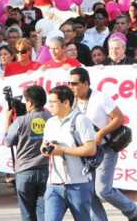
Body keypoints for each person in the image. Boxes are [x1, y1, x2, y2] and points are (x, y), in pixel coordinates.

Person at [68, 68, 137, 221]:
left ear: (86, 83)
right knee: (89, 191)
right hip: (86, 151)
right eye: (69, 83)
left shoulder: (100, 98)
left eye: (74, 83)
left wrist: (101, 133)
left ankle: (131, 210)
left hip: (105, 148)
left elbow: (119, 118)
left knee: (102, 190)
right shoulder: (71, 102)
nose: (71, 86)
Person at [41, 85, 96, 221]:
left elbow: (90, 149)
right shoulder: (50, 122)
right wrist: (45, 149)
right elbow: (44, 145)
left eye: (53, 103)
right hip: (54, 184)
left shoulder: (81, 120)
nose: (49, 106)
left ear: (66, 103)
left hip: (78, 184)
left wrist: (63, 150)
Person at [3, 85, 51, 221]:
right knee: (44, 213)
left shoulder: (20, 121)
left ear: (29, 102)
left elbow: (8, 142)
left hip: (25, 172)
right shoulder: (51, 118)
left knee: (27, 214)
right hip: (46, 170)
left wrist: (7, 119)